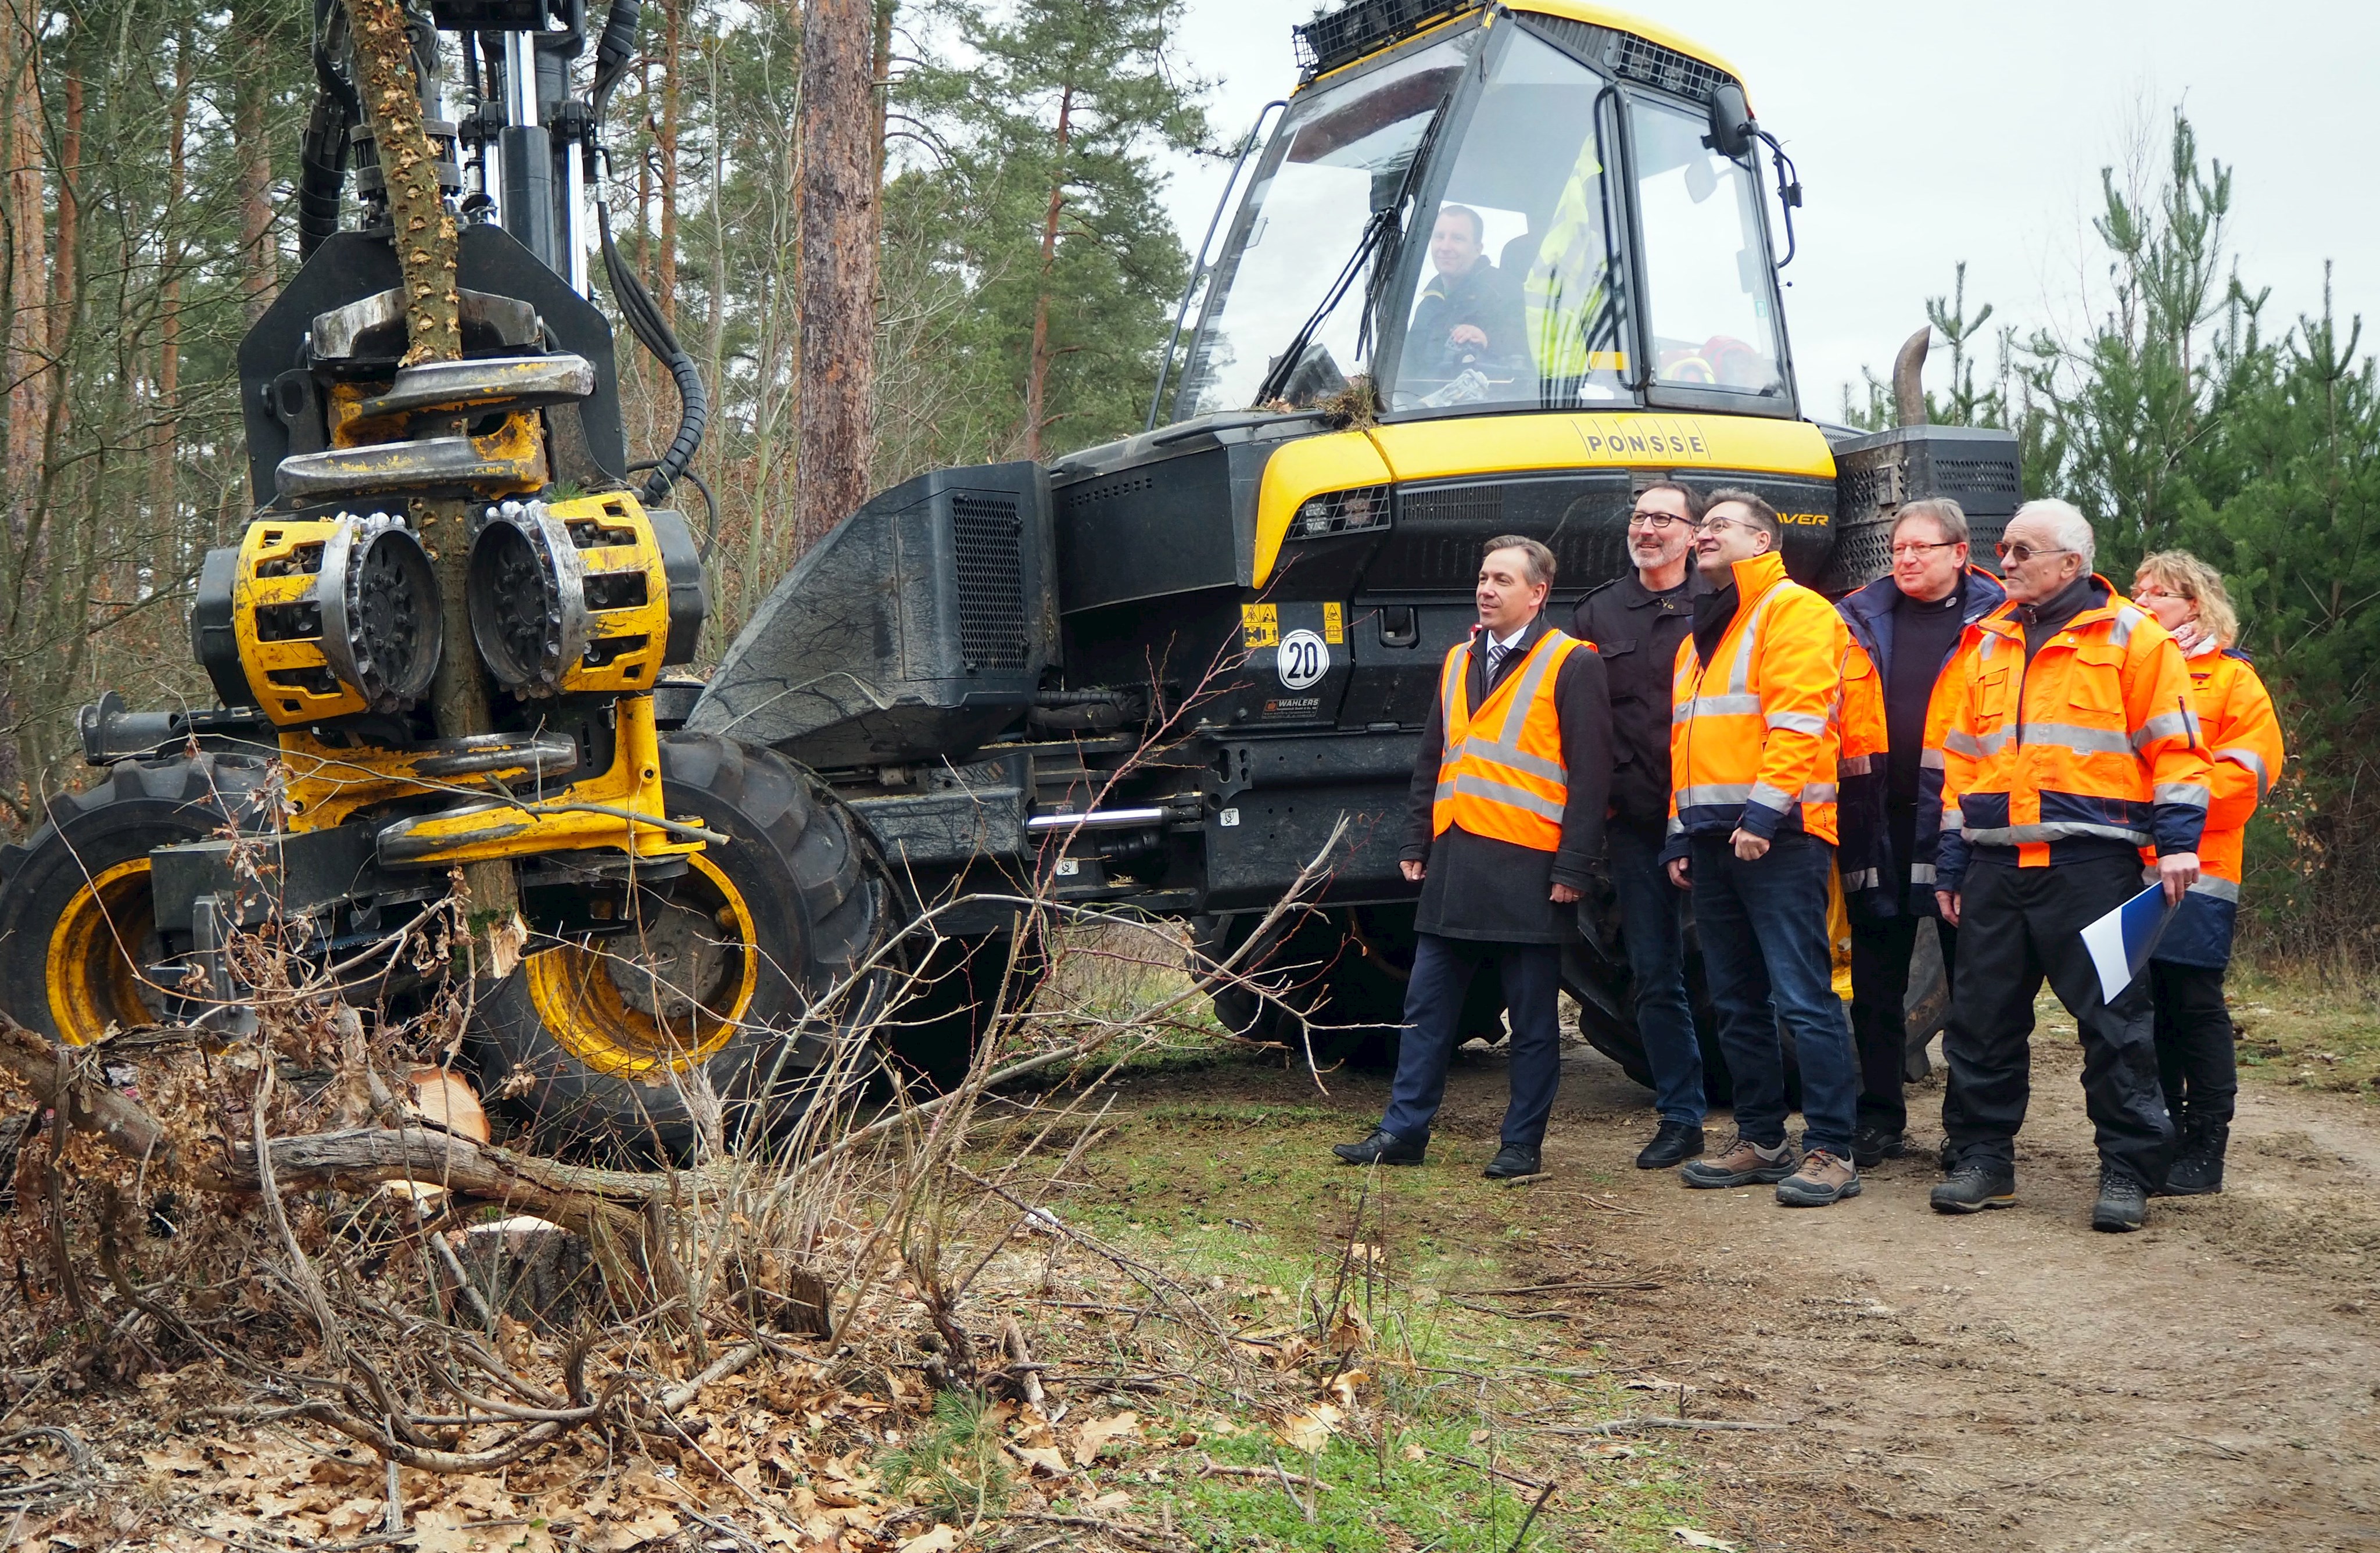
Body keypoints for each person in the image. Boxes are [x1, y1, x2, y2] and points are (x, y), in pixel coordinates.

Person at [1928, 499, 2213, 1232]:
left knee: (2115, 1025)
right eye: (2005, 549)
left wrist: (2179, 841)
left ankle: (2127, 1171)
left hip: (2093, 866)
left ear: (2071, 563)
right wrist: (1952, 861)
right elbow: (1962, 764)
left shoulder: (2134, 639)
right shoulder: (1983, 644)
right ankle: (1982, 1160)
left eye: (2023, 550)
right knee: (1981, 1022)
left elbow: (2178, 750)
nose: (2007, 561)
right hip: (1995, 870)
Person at [1334, 536, 1612, 1179]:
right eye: (1483, 577)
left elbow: (1593, 776)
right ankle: (1403, 1131)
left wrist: (1574, 867)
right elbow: (1432, 759)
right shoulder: (1459, 659)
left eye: (1502, 580)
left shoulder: (1572, 664)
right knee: (1425, 1011)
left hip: (1531, 870)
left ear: (1537, 593)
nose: (1486, 589)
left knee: (1535, 1022)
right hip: (1456, 865)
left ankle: (1521, 1144)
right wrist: (1414, 842)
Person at [1662, 491, 1865, 1208]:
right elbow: (1685, 748)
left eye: (1719, 525)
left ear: (1761, 540)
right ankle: (1761, 1138)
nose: (1702, 535)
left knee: (1803, 999)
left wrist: (1762, 814)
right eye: (1701, 527)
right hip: (1715, 840)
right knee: (1739, 1001)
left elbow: (1799, 722)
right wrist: (1678, 835)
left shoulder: (1796, 610)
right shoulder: (1697, 636)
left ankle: (1833, 1148)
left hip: (1777, 839)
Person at [1834, 500, 2005, 1166]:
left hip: (1963, 829)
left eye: (1921, 548)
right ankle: (1876, 1119)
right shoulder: (1855, 618)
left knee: (1975, 991)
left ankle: (1970, 1134)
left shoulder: (1999, 623)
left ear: (1960, 552)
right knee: (1875, 988)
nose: (1904, 558)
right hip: (1876, 824)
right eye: (1898, 547)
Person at [2131, 550, 2284, 1195]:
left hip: (2199, 871)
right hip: (2121, 869)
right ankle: (2157, 1137)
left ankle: (2205, 1143)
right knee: (2145, 1008)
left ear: (2193, 603)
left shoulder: (2230, 680)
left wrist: (2159, 808)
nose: (2142, 602)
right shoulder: (2124, 670)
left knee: (2193, 1005)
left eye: (2158, 593)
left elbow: (2244, 779)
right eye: (2136, 591)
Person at [1571, 481, 1710, 1168]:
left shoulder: (1721, 605)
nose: (1647, 529)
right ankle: (1681, 1116)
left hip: (1720, 822)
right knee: (1654, 975)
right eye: (1638, 517)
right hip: (1638, 828)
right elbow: (1577, 722)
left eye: (1663, 518)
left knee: (1748, 976)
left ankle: (1765, 1126)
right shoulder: (1598, 612)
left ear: (1693, 533)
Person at [1406, 205, 1527, 382]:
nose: (1445, 247)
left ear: (1478, 249)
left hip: (1485, 406)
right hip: (1423, 406)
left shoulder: (1506, 291)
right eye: (1439, 237)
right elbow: (1408, 365)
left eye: (1457, 238)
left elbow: (1528, 347)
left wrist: (1487, 339)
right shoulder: (1429, 301)